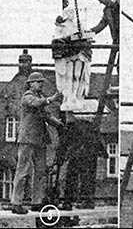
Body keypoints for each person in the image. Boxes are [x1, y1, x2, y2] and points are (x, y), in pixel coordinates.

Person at [11, 72, 64, 214]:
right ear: (30, 84)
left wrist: (58, 124)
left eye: (41, 82)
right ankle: (16, 203)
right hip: (27, 139)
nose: (41, 84)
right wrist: (51, 99)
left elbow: (46, 115)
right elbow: (36, 104)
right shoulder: (27, 97)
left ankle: (37, 201)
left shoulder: (40, 97)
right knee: (22, 170)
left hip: (40, 139)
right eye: (38, 82)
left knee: (40, 171)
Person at [61, 113, 108, 210]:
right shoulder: (92, 127)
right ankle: (87, 201)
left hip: (77, 155)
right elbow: (97, 140)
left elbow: (65, 141)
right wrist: (104, 153)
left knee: (72, 178)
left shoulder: (72, 126)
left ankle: (68, 202)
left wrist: (61, 155)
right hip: (89, 155)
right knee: (88, 179)